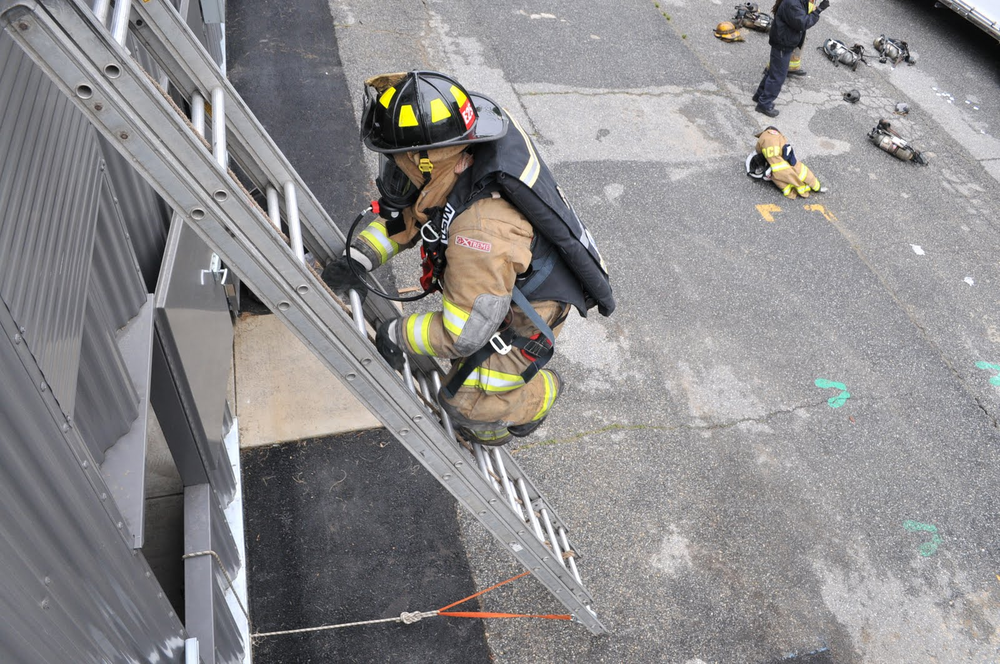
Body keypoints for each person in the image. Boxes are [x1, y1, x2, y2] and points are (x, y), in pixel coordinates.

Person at [322, 71, 615, 446]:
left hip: (527, 315)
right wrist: (357, 259)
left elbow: (464, 334)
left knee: (465, 403)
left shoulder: (481, 231)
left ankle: (538, 396)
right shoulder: (454, 164)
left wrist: (395, 334)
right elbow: (411, 218)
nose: (394, 173)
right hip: (493, 286)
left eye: (399, 163)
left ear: (429, 160)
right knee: (469, 354)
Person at [752, 0, 829, 117]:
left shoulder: (798, 2)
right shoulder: (793, 4)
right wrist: (818, 10)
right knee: (778, 77)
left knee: (773, 71)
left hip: (783, 40)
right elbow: (803, 23)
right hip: (783, 44)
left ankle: (759, 96)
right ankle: (764, 105)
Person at [752, 126, 828, 198]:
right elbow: (785, 147)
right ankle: (816, 187)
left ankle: (794, 192)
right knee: (800, 170)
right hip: (784, 160)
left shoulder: (762, 137)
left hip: (773, 167)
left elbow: (758, 150)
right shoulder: (779, 136)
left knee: (780, 179)